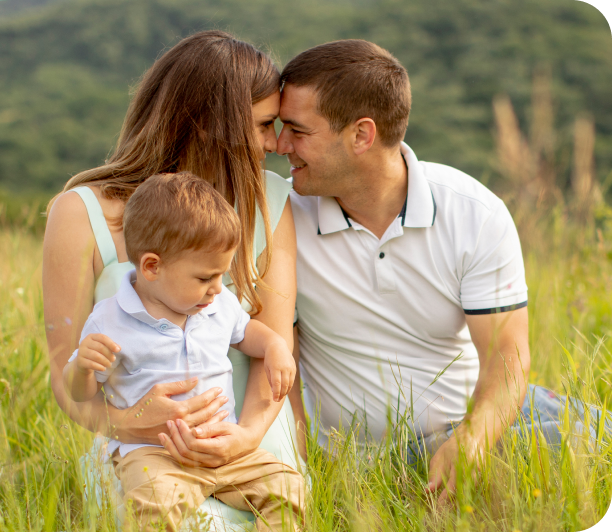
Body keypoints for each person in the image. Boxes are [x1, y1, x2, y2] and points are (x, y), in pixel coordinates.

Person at [42, 30, 300, 526]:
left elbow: (275, 346)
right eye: (265, 125)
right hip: (140, 452)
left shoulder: (270, 200)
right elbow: (64, 374)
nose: (275, 144)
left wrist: (245, 437)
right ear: (209, 125)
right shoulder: (81, 213)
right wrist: (133, 425)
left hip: (249, 434)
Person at [277, 39, 534, 502]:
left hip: (472, 427)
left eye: (297, 131)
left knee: (595, 440)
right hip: (357, 460)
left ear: (361, 135)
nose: (280, 145)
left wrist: (473, 440)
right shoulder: (281, 221)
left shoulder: (474, 213)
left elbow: (508, 359)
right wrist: (301, 472)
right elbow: (281, 367)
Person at [63, 173, 304, 531]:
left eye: (221, 276)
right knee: (151, 508)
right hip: (155, 454)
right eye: (206, 278)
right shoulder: (110, 320)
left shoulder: (218, 304)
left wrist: (274, 346)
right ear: (152, 267)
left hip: (223, 447)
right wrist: (82, 367)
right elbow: (79, 394)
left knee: (288, 487)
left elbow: (246, 332)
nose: (218, 288)